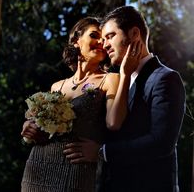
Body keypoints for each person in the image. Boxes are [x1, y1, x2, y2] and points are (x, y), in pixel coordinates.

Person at [64, 6, 186, 192]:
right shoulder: (119, 80)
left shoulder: (164, 78)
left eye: (110, 36)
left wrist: (101, 152)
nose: (104, 45)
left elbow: (161, 142)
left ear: (135, 33)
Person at [21, 16, 141, 192]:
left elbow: (114, 123)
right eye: (94, 35)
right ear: (77, 40)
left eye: (105, 38)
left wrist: (125, 75)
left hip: (75, 172)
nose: (101, 42)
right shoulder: (57, 86)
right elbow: (39, 125)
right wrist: (29, 126)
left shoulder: (110, 80)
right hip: (37, 169)